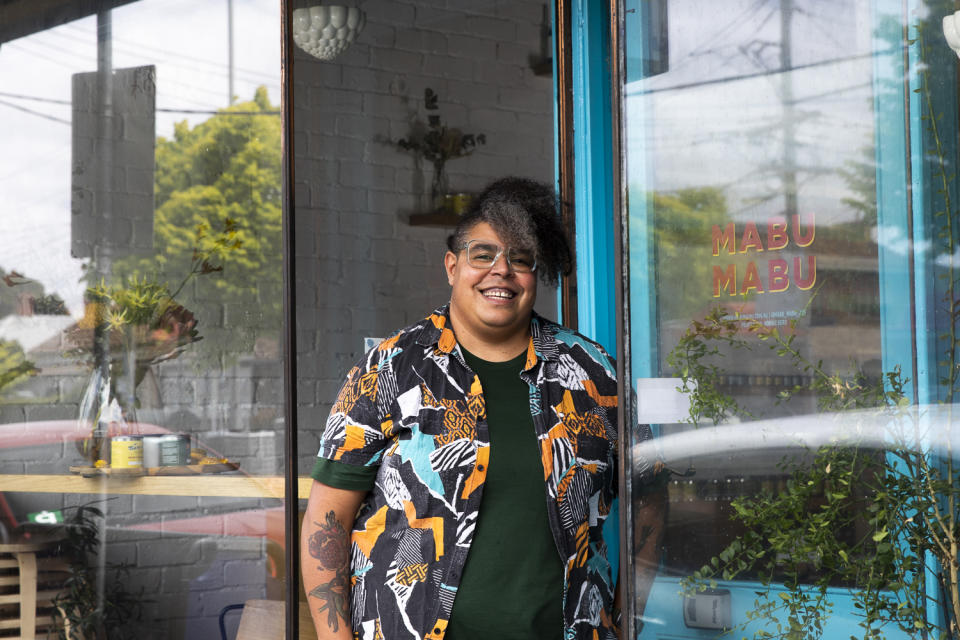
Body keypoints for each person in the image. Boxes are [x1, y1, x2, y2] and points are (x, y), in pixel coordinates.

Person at [300, 177, 662, 640]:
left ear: (537, 274)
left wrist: (625, 615)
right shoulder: (389, 368)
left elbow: (649, 497)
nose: (501, 271)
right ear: (452, 266)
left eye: (521, 258)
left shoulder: (594, 372)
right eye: (482, 254)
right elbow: (327, 516)